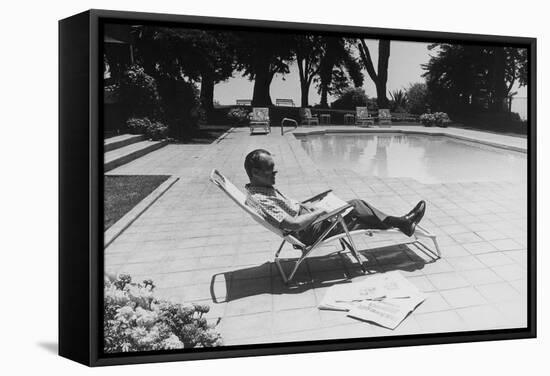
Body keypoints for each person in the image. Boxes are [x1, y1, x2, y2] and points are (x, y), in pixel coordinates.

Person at [244, 149, 426, 246]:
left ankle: (400, 222)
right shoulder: (262, 199)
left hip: (311, 220)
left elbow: (291, 213)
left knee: (359, 211)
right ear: (255, 172)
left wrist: (311, 205)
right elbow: (294, 225)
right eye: (270, 170)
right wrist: (321, 211)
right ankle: (402, 222)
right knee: (357, 207)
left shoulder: (260, 189)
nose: (275, 173)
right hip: (310, 231)